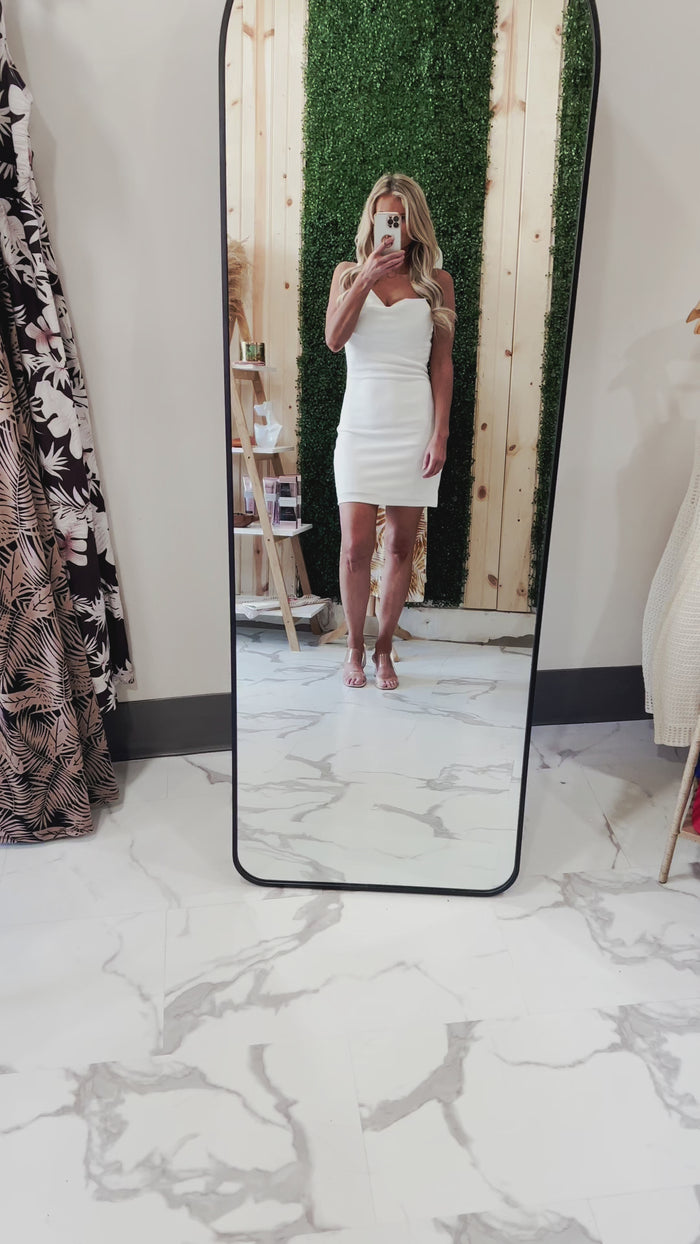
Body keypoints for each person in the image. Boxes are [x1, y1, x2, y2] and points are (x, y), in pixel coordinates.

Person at [325, 173, 456, 689]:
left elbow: (441, 365)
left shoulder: (436, 283)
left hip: (412, 425)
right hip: (360, 426)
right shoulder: (346, 274)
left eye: (399, 218)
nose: (391, 227)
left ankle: (383, 650)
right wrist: (365, 278)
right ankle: (354, 648)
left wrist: (440, 434)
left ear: (413, 223)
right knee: (355, 546)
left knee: (401, 546)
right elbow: (334, 339)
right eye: (383, 217)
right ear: (372, 219)